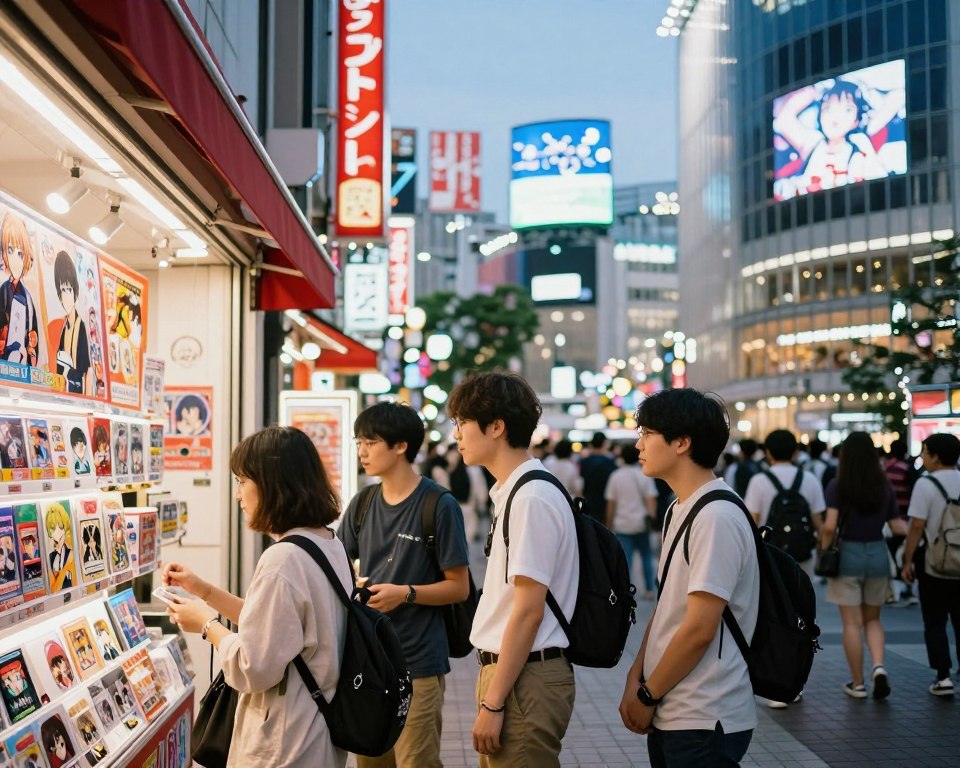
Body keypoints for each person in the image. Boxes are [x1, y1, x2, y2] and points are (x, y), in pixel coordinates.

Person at [164, 426, 352, 767]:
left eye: (242, 481)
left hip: (285, 742)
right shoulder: (326, 542)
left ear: (271, 485)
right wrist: (204, 591)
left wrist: (207, 625)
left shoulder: (283, 559)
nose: (238, 495)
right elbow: (277, 627)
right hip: (316, 729)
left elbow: (254, 667)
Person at [619, 388, 759, 767]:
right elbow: (670, 606)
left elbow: (699, 628)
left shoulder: (716, 517)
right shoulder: (681, 507)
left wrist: (647, 694)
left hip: (705, 716)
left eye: (647, 434)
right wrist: (637, 676)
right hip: (675, 707)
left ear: (682, 442)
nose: (639, 445)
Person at [449, 371, 578, 767]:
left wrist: (493, 702)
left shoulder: (530, 498)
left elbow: (528, 609)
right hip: (518, 675)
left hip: (525, 678)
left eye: (461, 423)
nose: (456, 435)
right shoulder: (519, 491)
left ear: (496, 427)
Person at [341, 402, 470, 768]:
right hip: (368, 663)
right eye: (359, 442)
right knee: (370, 761)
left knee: (417, 762)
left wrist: (406, 593)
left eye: (370, 441)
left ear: (400, 446)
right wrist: (353, 580)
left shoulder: (438, 504)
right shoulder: (363, 502)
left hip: (420, 665)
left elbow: (459, 588)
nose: (362, 451)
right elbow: (338, 561)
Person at [819, 432, 907, 700]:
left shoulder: (838, 486)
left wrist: (824, 548)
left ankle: (857, 684)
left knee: (851, 623)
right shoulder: (883, 485)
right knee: (873, 620)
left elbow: (830, 526)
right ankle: (879, 666)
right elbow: (897, 526)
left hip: (848, 554)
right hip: (878, 553)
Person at [900, 433, 960, 697]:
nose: (922, 456)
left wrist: (907, 560)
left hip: (933, 561)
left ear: (935, 455)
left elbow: (916, 526)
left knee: (935, 620)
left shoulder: (926, 484)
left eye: (925, 451)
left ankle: (943, 675)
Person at [605, 444, 658, 599]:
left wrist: (608, 523)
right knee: (646, 556)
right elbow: (651, 499)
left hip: (622, 523)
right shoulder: (644, 475)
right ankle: (649, 589)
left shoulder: (616, 476)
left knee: (626, 559)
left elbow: (611, 503)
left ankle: (627, 589)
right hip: (641, 523)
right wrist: (652, 517)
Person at [0, 213, 40, 366]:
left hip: (22, 367)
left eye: (20, 253)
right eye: (10, 251)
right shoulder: (3, 291)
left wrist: (32, 345)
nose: (15, 259)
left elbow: (34, 339)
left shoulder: (29, 299)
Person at [883, 439, 917, 605]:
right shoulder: (907, 469)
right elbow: (913, 493)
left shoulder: (885, 469)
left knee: (892, 551)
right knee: (905, 553)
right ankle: (907, 588)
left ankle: (893, 588)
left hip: (888, 521)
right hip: (905, 518)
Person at [53, 250, 91, 394]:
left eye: (68, 289)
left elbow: (88, 369)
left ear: (75, 290)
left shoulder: (81, 326)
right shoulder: (62, 327)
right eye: (62, 290)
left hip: (77, 393)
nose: (65, 296)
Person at [580, 432, 617, 525]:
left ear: (591, 444)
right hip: (605, 502)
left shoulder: (584, 462)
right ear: (605, 443)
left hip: (589, 501)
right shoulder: (610, 463)